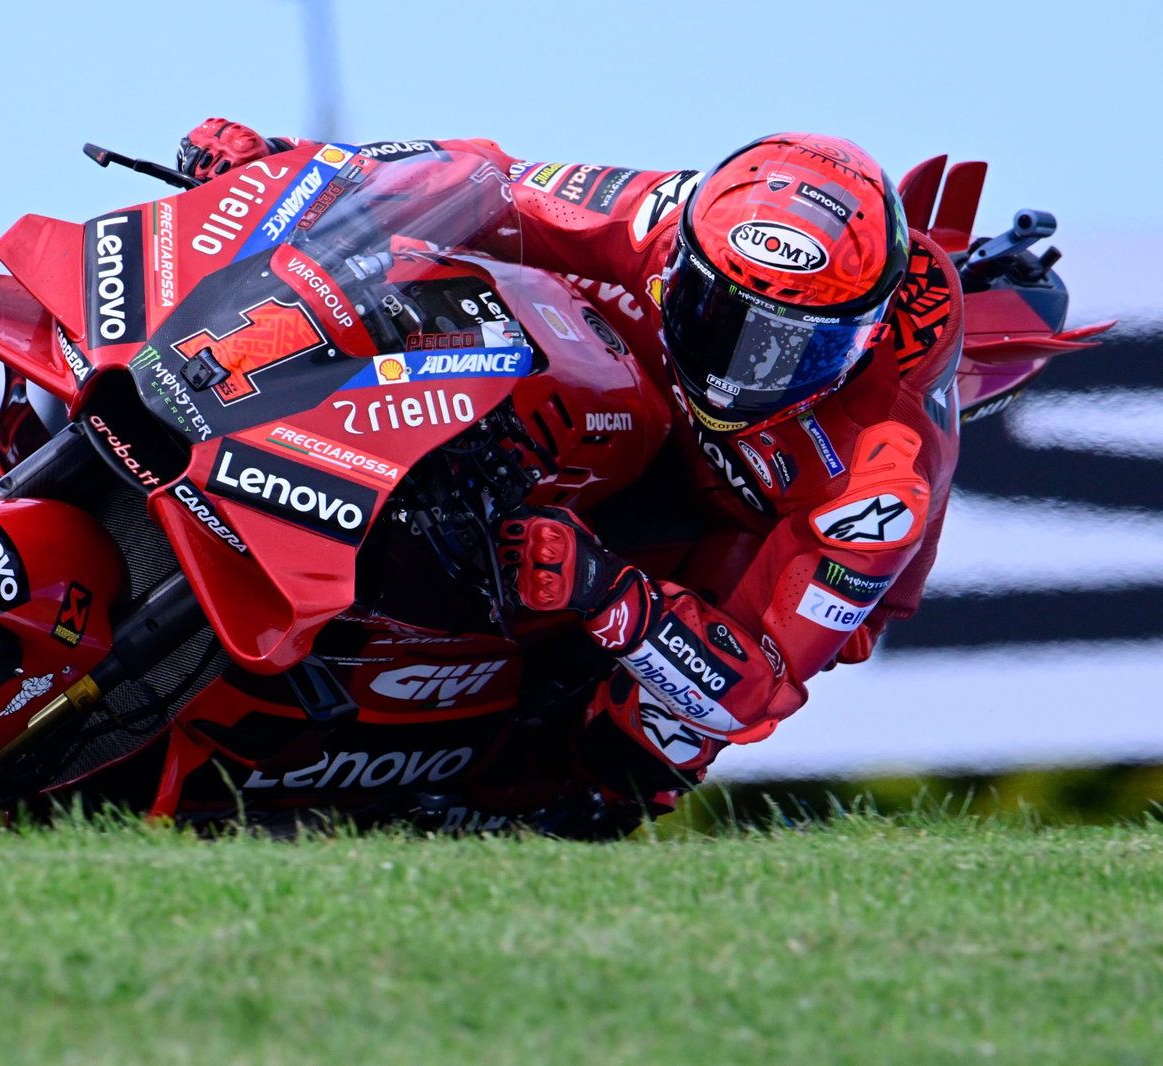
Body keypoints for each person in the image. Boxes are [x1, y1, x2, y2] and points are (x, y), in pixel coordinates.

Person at [177, 119, 962, 832]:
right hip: (646, 402)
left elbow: (753, 689)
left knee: (660, 735)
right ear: (683, 258)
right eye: (720, 318)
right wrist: (289, 174)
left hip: (764, 523)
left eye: (789, 347)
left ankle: (543, 818)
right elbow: (481, 180)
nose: (738, 372)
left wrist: (606, 590)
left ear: (862, 337)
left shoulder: (881, 481)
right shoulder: (664, 213)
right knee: (453, 278)